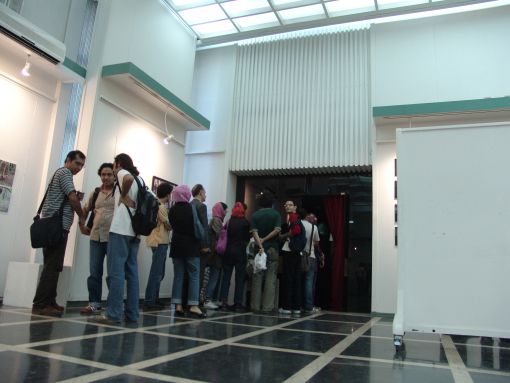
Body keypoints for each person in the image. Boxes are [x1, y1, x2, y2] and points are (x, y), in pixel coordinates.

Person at [32, 150, 88, 316]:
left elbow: (66, 197)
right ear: (69, 160)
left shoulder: (61, 174)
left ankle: (50, 301)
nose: (79, 168)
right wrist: (82, 216)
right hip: (56, 226)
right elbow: (71, 198)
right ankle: (41, 304)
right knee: (51, 265)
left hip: (52, 226)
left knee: (54, 265)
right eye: (77, 163)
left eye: (82, 165)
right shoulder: (65, 173)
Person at [96, 153, 142, 324]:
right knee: (132, 274)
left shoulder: (123, 173)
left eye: (114, 165)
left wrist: (122, 197)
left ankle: (114, 314)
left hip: (120, 229)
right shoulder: (141, 180)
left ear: (118, 164)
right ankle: (132, 314)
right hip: (134, 232)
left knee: (116, 272)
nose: (113, 170)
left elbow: (127, 178)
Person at [80, 163, 115, 315]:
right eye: (103, 174)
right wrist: (81, 224)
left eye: (109, 174)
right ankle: (94, 303)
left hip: (113, 237)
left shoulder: (119, 192)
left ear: (114, 176)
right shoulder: (95, 192)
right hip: (96, 236)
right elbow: (85, 209)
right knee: (95, 271)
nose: (106, 177)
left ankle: (114, 303)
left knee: (114, 272)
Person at [168, 184, 206, 318]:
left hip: (176, 245)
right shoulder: (191, 208)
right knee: (194, 275)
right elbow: (197, 226)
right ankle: (193, 305)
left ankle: (178, 305)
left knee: (178, 275)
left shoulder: (171, 210)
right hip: (191, 246)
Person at [250, 189, 281, 313]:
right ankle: (267, 307)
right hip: (273, 248)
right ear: (271, 203)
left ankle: (255, 306)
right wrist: (266, 239)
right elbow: (277, 229)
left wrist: (260, 243)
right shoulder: (276, 214)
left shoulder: (255, 215)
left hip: (259, 251)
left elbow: (254, 232)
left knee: (257, 277)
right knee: (270, 278)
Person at [144, 182, 173, 310]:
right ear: (168, 194)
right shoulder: (161, 207)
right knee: (156, 273)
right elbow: (168, 225)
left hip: (155, 240)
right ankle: (150, 300)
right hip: (160, 241)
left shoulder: (155, 204)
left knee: (158, 272)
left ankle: (154, 298)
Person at [219, 202, 250, 310]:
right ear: (243, 210)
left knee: (226, 278)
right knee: (239, 278)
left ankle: (223, 302)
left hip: (228, 252)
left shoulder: (229, 222)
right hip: (240, 252)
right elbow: (247, 239)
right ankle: (238, 303)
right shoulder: (246, 222)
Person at [279, 200, 303, 316]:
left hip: (290, 251)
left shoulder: (292, 217)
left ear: (295, 207)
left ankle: (287, 307)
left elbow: (296, 231)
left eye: (290, 205)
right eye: (286, 204)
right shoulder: (296, 218)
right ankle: (296, 307)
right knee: (296, 279)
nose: (287, 206)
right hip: (297, 252)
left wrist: (283, 235)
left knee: (288, 279)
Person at [203, 202, 228, 309]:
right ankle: (207, 299)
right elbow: (218, 237)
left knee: (212, 276)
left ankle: (209, 299)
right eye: (225, 209)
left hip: (212, 253)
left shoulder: (214, 220)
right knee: (213, 277)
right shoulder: (217, 221)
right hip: (215, 254)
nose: (227, 211)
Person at [190, 183, 210, 304]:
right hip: (200, 246)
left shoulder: (189, 205)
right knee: (199, 274)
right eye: (205, 192)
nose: (205, 195)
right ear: (201, 192)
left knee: (188, 275)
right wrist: (205, 246)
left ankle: (188, 300)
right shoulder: (202, 206)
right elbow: (204, 227)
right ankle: (195, 300)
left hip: (190, 244)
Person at [302, 211, 322, 314]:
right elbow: (316, 243)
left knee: (299, 281)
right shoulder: (314, 228)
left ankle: (298, 305)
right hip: (311, 256)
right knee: (309, 282)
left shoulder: (299, 223)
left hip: (299, 256)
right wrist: (321, 254)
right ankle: (309, 306)